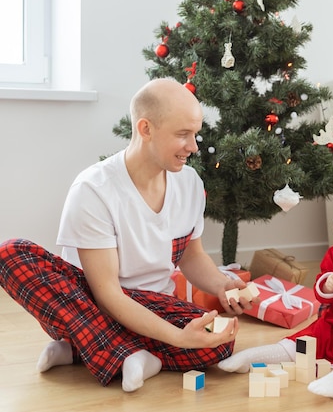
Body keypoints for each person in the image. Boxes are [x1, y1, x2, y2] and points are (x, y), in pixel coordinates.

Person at [0, 78, 257, 392]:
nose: (193, 146)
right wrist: (177, 337)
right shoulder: (94, 189)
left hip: (153, 306)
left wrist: (223, 286)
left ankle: (83, 348)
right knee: (10, 254)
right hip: (90, 302)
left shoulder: (189, 183)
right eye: (183, 134)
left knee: (218, 343)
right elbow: (107, 295)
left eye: (195, 134)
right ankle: (128, 353)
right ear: (146, 129)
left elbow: (191, 255)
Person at [218, 178, 333, 398]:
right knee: (296, 345)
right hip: (332, 325)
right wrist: (327, 286)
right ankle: (251, 357)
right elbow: (320, 293)